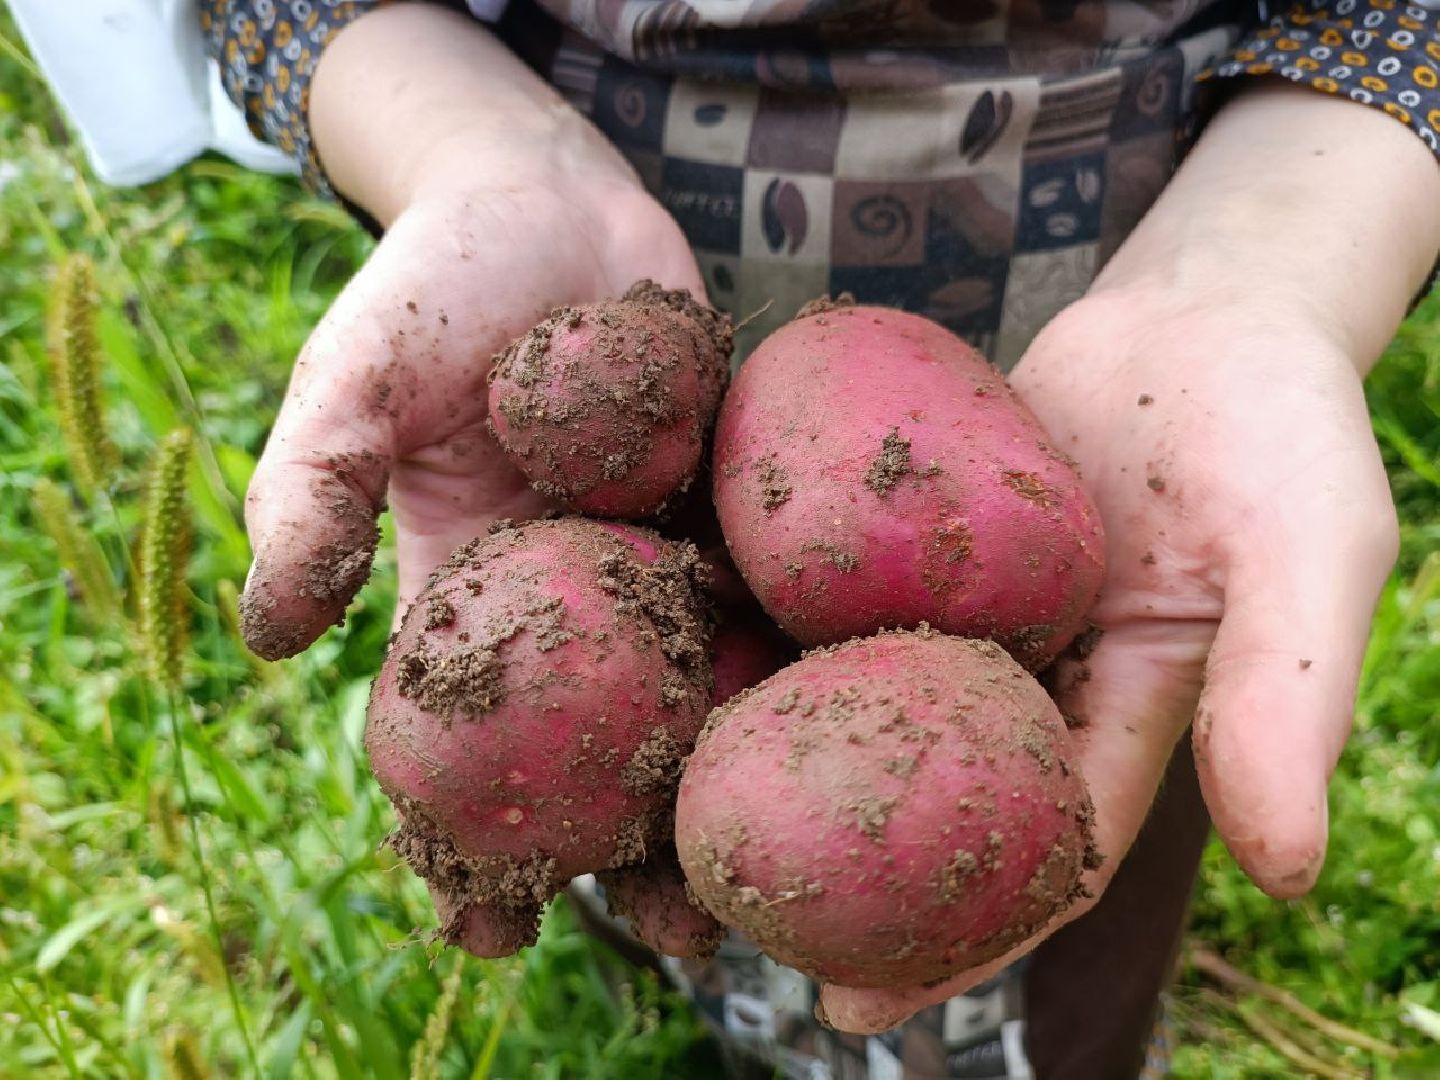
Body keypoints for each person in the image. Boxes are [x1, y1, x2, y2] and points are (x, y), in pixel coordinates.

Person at [26, 0, 1440, 1075]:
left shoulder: (1034, 549)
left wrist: (1276, 259)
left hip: (1149, 286)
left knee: (1074, 896)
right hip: (592, 218)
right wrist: (470, 143)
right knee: (659, 880)